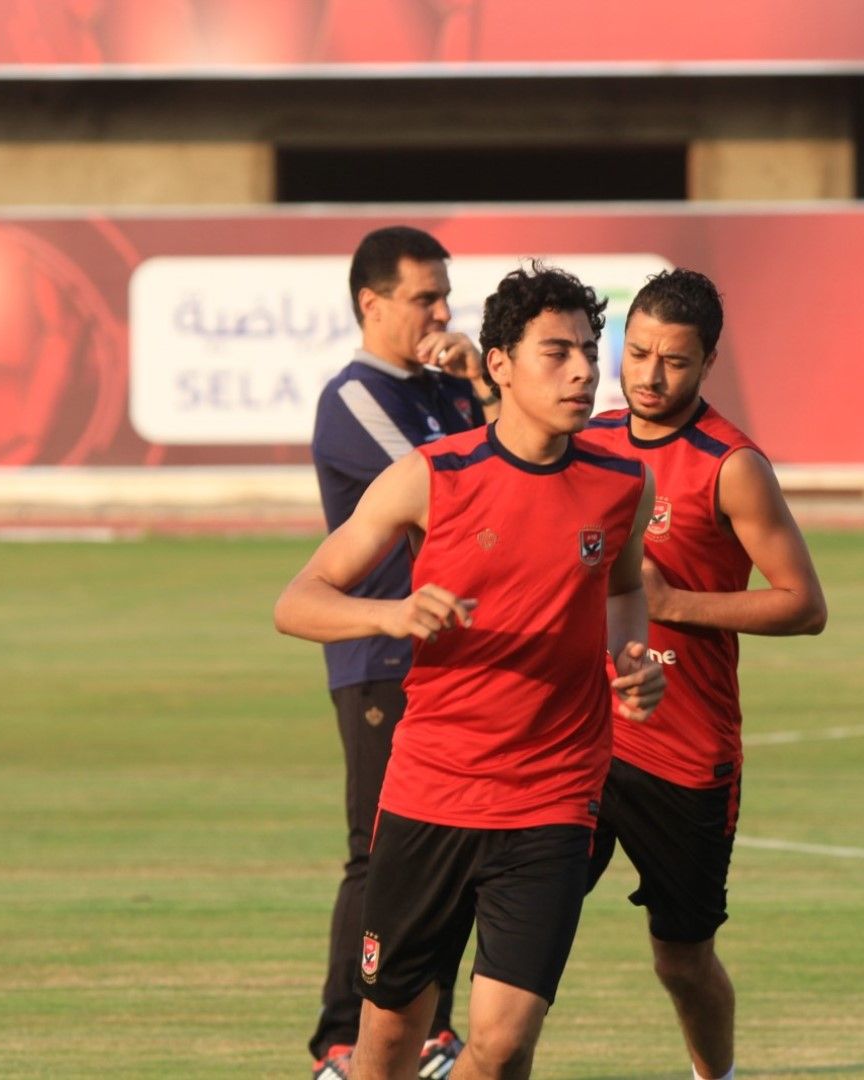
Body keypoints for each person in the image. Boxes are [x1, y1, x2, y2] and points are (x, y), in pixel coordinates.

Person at [276, 263, 666, 1080]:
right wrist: (387, 613)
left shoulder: (623, 481)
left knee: (501, 1043)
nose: (583, 370)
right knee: (386, 1042)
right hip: (430, 794)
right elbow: (299, 600)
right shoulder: (432, 475)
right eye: (555, 352)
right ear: (498, 364)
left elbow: (625, 588)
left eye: (589, 351)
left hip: (553, 797)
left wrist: (629, 659)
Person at [577, 269, 827, 1080]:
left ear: (707, 361)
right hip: (577, 745)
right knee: (519, 934)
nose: (650, 376)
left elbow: (803, 604)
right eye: (638, 353)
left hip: (684, 757)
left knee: (681, 963)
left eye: (674, 362)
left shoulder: (731, 464)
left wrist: (673, 602)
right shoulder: (587, 446)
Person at [307, 225, 493, 1079]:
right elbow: (455, 495)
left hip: (456, 659)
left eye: (445, 294)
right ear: (370, 304)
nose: (443, 313)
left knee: (454, 852)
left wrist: (484, 388)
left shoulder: (449, 391)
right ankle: (343, 1043)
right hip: (380, 659)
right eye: (425, 296)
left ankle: (430, 1035)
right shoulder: (354, 398)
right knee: (378, 855)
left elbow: (512, 475)